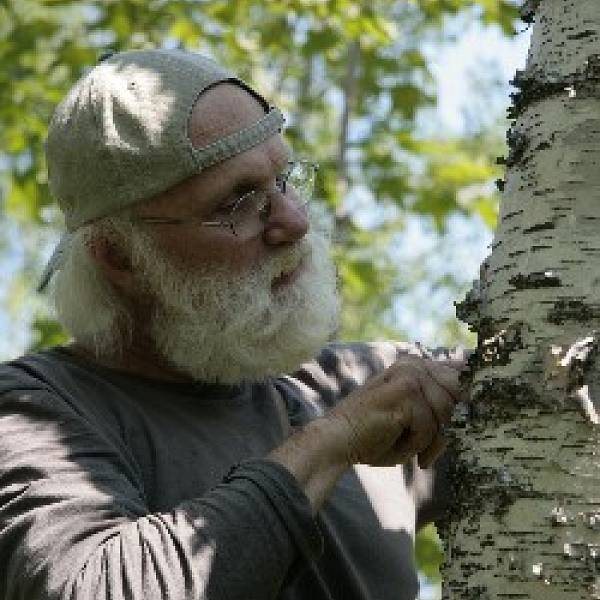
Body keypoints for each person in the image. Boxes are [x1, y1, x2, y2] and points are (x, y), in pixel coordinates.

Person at [0, 49, 467, 600]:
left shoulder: (352, 384)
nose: (293, 222)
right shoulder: (37, 410)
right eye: (238, 203)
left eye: (285, 180)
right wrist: (335, 441)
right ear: (120, 256)